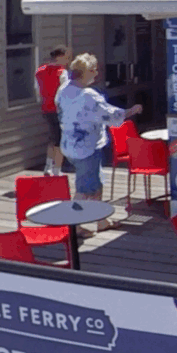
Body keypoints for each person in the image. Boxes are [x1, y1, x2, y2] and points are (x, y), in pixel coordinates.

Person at [56, 53, 141, 231]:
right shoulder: (88, 95)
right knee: (85, 189)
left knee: (96, 184)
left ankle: (101, 221)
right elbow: (110, 115)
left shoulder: (64, 89)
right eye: (94, 70)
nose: (96, 74)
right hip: (86, 148)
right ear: (86, 72)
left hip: (69, 145)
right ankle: (75, 227)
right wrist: (132, 110)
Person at [35, 44, 71, 176]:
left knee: (53, 137)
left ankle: (48, 166)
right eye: (66, 57)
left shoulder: (39, 71)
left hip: (46, 109)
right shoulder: (62, 72)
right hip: (59, 110)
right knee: (60, 140)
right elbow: (65, 94)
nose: (67, 61)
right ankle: (57, 170)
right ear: (59, 57)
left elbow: (37, 91)